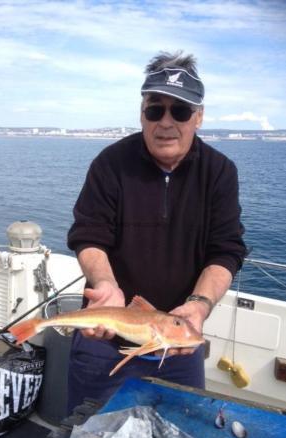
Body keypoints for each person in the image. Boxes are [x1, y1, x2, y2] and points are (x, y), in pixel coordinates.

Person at [67, 50, 246, 412]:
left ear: (198, 117)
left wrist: (198, 306)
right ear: (141, 114)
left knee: (176, 431)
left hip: (180, 344)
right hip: (105, 340)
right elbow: (89, 235)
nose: (166, 122)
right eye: (155, 109)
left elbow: (225, 250)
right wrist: (105, 285)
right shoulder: (111, 164)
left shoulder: (219, 172)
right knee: (88, 431)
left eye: (179, 110)